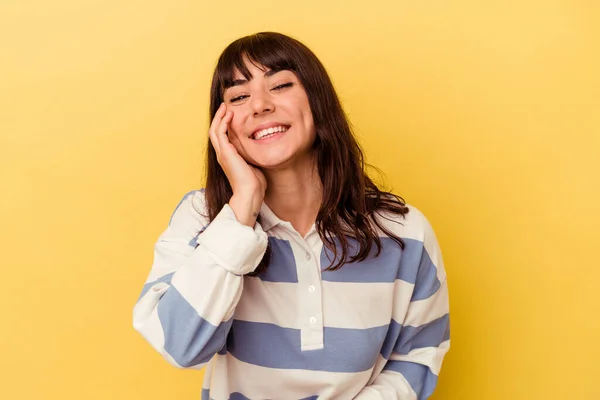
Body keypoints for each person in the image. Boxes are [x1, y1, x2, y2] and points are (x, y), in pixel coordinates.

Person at [133, 32, 450, 400]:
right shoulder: (203, 218)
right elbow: (180, 345)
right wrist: (243, 207)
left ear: (317, 100)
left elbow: (418, 355)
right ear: (223, 127)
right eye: (238, 96)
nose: (260, 105)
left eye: (280, 84)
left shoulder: (404, 231)